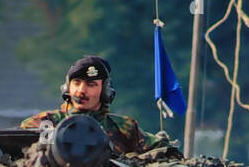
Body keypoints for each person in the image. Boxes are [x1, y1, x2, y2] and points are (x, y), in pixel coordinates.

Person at [20, 55, 160, 156]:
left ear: (105, 91)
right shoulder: (44, 124)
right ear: (67, 87)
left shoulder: (125, 129)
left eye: (91, 84)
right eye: (76, 82)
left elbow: (162, 152)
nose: (81, 90)